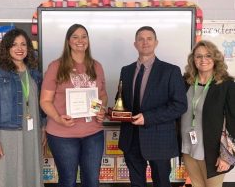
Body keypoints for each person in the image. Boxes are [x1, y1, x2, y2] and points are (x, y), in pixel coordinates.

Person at [118, 26, 187, 187]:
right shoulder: (126, 71)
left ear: (156, 42)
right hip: (131, 138)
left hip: (159, 139)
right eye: (141, 39)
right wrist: (113, 112)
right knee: (136, 183)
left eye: (149, 38)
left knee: (162, 182)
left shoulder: (171, 71)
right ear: (135, 44)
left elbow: (180, 105)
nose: (145, 42)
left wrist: (148, 118)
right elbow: (120, 100)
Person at [40, 23, 108, 187]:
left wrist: (101, 109)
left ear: (88, 41)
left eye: (84, 36)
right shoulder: (56, 66)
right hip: (62, 134)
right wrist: (58, 118)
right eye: (75, 37)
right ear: (68, 41)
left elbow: (103, 95)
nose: (80, 40)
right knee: (68, 181)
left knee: (92, 181)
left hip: (93, 133)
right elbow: (44, 101)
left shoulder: (96, 66)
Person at [0, 28, 45, 187]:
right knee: (6, 174)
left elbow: (41, 104)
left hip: (32, 132)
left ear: (28, 48)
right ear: (7, 48)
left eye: (23, 44)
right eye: (14, 44)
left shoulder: (35, 74)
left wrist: (43, 129)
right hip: (7, 134)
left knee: (30, 170)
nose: (19, 48)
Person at [181, 40, 235, 187]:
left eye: (208, 55)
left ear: (215, 58)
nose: (203, 60)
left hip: (213, 152)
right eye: (198, 56)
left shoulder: (226, 85)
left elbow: (233, 121)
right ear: (193, 60)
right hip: (188, 148)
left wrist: (227, 156)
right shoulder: (186, 82)